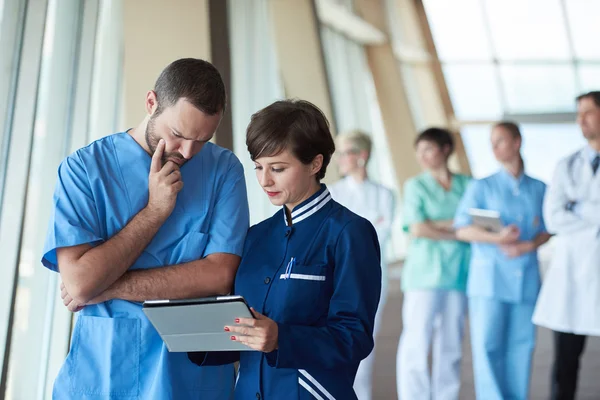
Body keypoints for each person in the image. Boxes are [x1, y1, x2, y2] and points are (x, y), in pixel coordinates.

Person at [42, 58, 249, 399]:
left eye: (202, 140)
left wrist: (108, 286)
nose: (187, 152)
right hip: (107, 371)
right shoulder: (84, 170)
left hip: (192, 377)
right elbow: (79, 283)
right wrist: (154, 212)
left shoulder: (223, 170)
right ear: (151, 103)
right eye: (178, 135)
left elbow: (218, 276)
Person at [188, 99, 382, 400]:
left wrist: (281, 338)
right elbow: (242, 331)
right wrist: (194, 333)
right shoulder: (254, 236)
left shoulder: (349, 233)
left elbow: (354, 337)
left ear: (315, 164)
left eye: (278, 168)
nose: (265, 180)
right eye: (258, 167)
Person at [454, 122, 551, 400]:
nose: (494, 147)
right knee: (488, 347)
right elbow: (462, 229)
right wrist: (499, 239)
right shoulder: (482, 186)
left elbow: (548, 228)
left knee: (522, 345)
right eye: (491, 142)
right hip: (490, 280)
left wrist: (530, 244)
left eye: (500, 141)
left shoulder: (539, 188)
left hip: (526, 277)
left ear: (517, 142)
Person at [533, 91, 600, 400]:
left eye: (587, 112)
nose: (580, 120)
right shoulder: (566, 164)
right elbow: (553, 218)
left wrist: (577, 208)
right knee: (565, 363)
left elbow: (568, 213)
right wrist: (592, 212)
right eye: (578, 114)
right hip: (571, 275)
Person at [396, 128, 471, 400]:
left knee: (451, 343)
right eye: (419, 151)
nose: (423, 156)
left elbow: (475, 222)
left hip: (459, 273)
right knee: (416, 341)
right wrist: (457, 226)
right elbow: (417, 228)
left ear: (446, 149)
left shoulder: (467, 184)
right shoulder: (415, 186)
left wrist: (435, 225)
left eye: (429, 149)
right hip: (424, 275)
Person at [328, 129, 394, 400]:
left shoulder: (385, 194)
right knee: (333, 346)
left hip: (372, 281)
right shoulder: (332, 192)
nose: (339, 159)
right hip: (335, 280)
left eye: (345, 153)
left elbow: (380, 237)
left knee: (365, 348)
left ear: (362, 156)